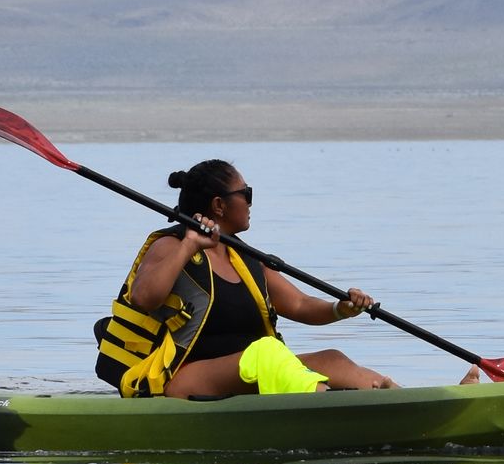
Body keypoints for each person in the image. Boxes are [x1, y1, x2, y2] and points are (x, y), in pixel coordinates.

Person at [94, 158, 397, 398]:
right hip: (181, 379)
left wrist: (340, 309)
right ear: (219, 205)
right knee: (266, 354)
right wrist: (189, 244)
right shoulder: (170, 246)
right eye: (246, 194)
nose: (250, 202)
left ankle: (389, 395)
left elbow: (301, 304)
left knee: (332, 359)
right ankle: (329, 405)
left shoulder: (246, 258)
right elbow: (144, 297)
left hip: (249, 372)